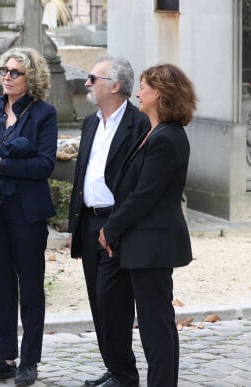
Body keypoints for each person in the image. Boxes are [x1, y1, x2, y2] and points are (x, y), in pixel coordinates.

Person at [97, 63, 197, 387]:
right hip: (139, 243)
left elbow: (145, 195)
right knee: (154, 324)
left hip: (153, 244)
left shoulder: (168, 137)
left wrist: (111, 227)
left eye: (143, 87)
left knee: (157, 326)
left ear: (160, 93)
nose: (138, 92)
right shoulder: (151, 131)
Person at [0, 47, 58, 386]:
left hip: (27, 213)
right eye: (3, 70)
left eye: (14, 72)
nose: (6, 76)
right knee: (2, 285)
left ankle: (29, 361)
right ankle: (6, 357)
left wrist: (2, 164)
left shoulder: (44, 114)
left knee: (31, 288)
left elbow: (44, 165)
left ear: (30, 77)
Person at [67, 56, 150, 387]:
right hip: (88, 222)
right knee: (97, 301)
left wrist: (116, 228)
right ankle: (114, 366)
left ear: (115, 86)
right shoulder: (90, 123)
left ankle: (125, 375)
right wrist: (74, 226)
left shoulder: (138, 124)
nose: (87, 83)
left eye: (93, 78)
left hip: (116, 225)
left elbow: (139, 185)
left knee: (113, 302)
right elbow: (81, 175)